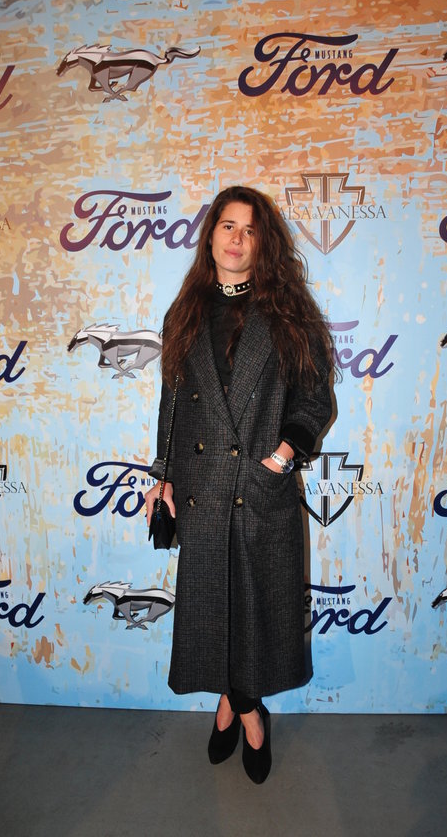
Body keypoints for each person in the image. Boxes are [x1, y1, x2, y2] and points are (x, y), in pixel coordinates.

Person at [145, 185, 334, 783]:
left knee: (254, 614)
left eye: (250, 229)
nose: (237, 238)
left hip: (260, 490)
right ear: (210, 237)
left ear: (263, 243)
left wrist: (281, 457)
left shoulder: (289, 315)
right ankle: (246, 710)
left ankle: (237, 710)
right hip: (202, 490)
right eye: (228, 225)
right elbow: (172, 406)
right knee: (213, 614)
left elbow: (313, 400)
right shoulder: (185, 313)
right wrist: (162, 477)